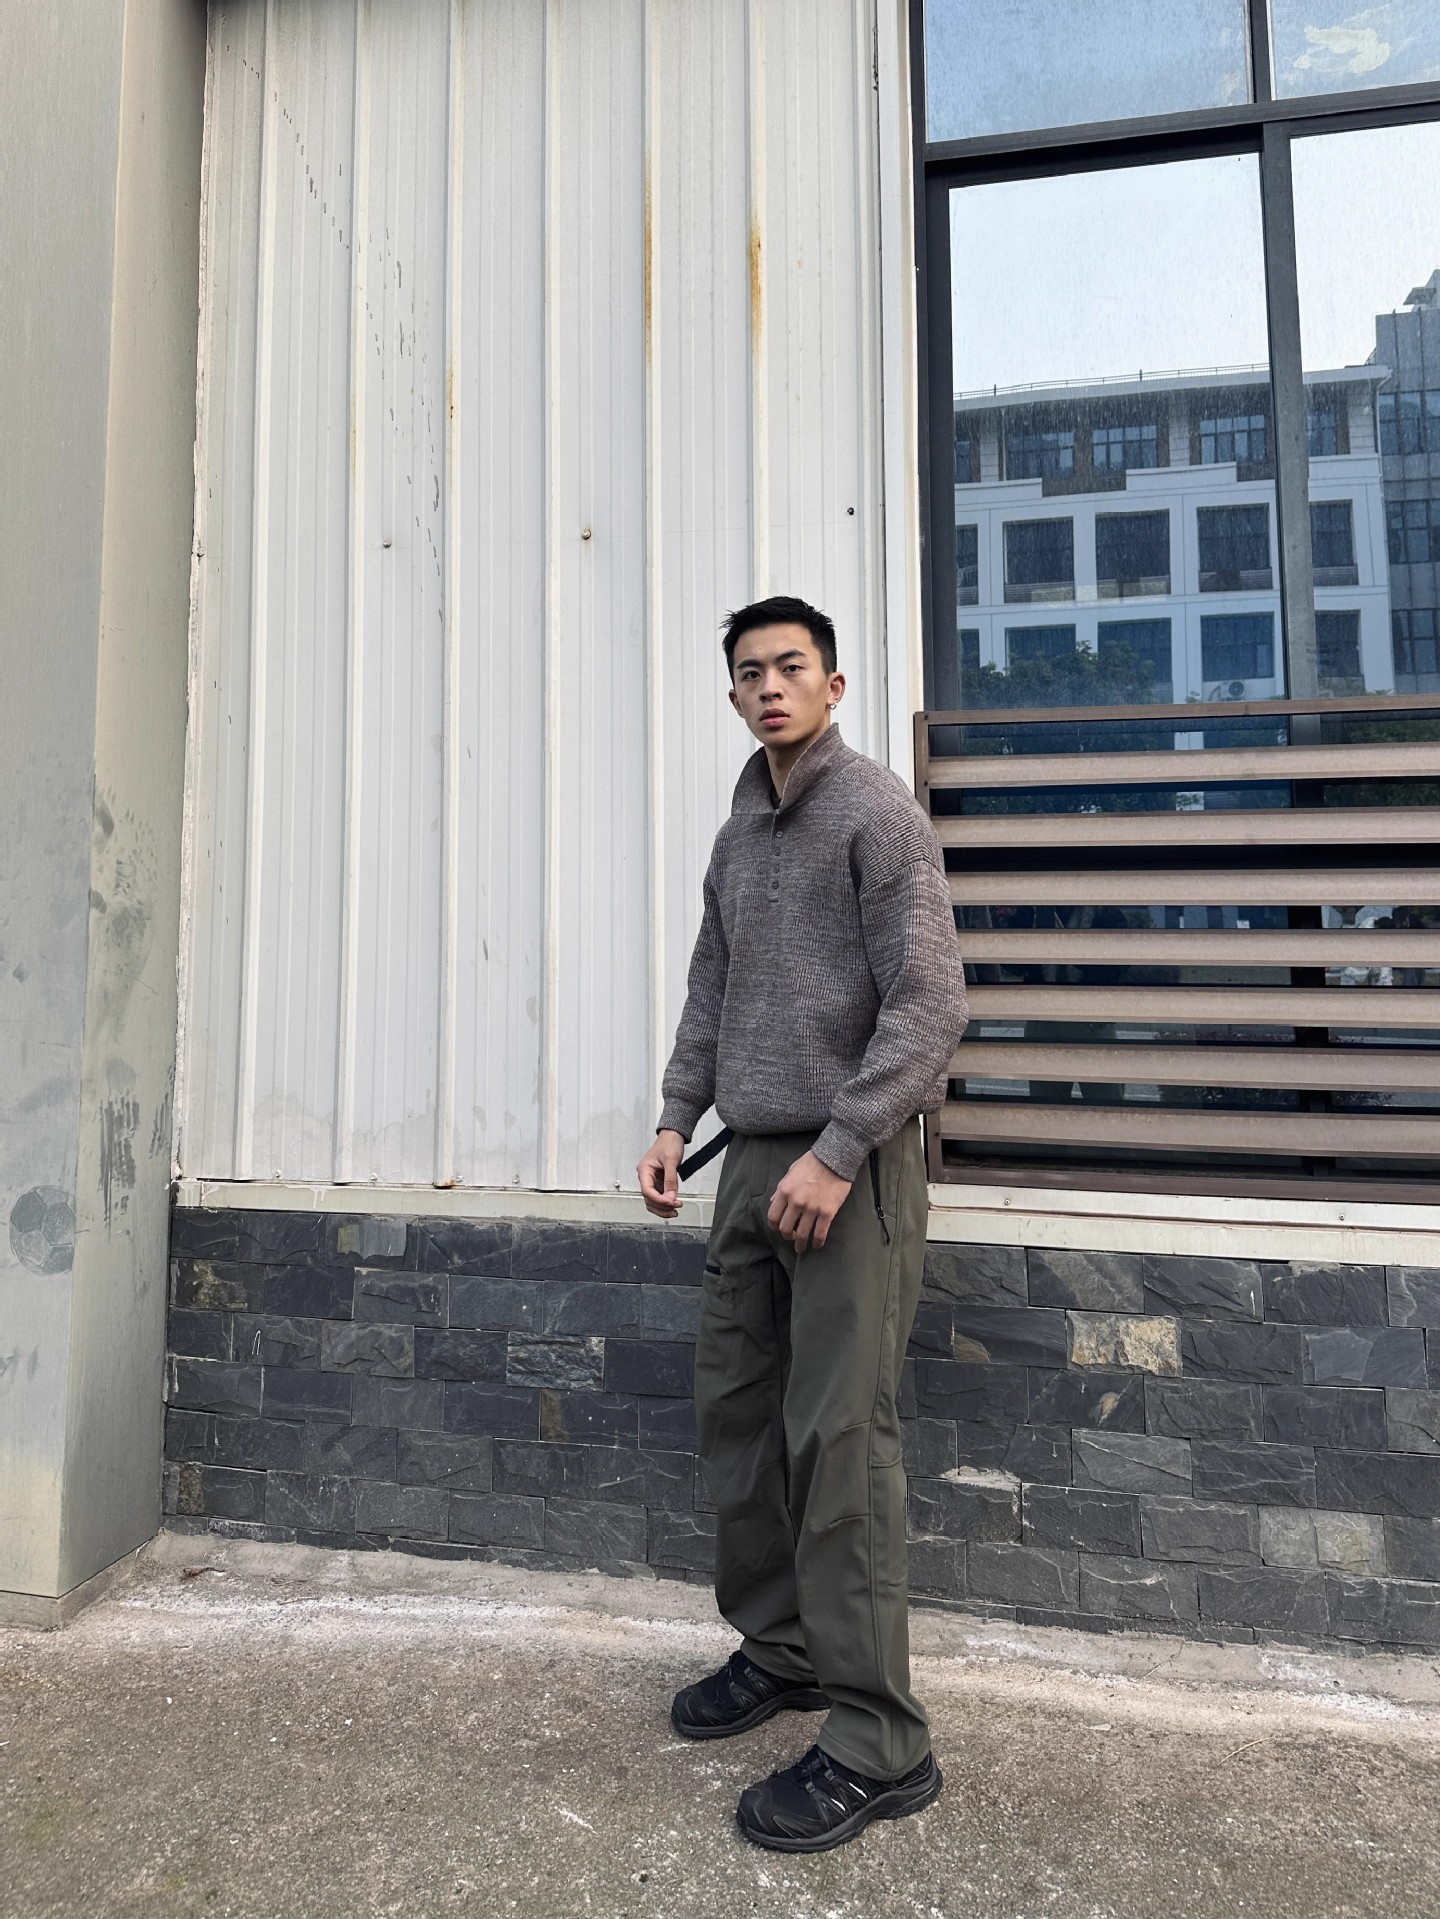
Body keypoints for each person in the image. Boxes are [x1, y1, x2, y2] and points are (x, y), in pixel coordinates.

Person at [635, 595, 969, 1853]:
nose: (769, 685)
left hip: (851, 1167)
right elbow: (710, 986)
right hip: (749, 1163)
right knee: (738, 1417)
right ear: (732, 695)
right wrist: (675, 1117)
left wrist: (840, 1150)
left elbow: (931, 1004)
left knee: (841, 1442)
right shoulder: (739, 835)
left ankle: (882, 1740)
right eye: (749, 672)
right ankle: (782, 1650)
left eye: (790, 666)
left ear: (833, 683)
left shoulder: (878, 813)